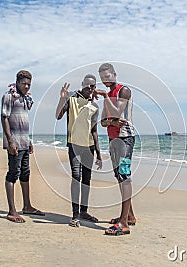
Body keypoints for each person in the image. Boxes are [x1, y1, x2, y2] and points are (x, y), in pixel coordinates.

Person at [93, 63, 136, 236]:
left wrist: (105, 97)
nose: (105, 80)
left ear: (114, 74)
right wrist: (111, 122)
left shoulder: (123, 91)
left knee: (124, 176)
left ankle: (123, 223)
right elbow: (103, 122)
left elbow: (118, 112)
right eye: (102, 78)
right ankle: (130, 216)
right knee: (119, 175)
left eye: (107, 76)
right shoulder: (108, 95)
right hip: (113, 139)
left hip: (125, 138)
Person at [55, 74, 102, 226]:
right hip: (74, 144)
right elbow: (58, 116)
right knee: (76, 176)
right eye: (88, 85)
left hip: (89, 147)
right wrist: (62, 98)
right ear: (82, 84)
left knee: (87, 179)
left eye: (93, 86)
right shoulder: (71, 98)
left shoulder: (94, 106)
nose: (90, 88)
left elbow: (94, 130)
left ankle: (84, 211)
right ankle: (75, 215)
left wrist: (99, 153)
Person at [1, 70, 45, 223]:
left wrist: (29, 141)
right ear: (17, 82)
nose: (26, 86)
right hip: (14, 143)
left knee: (25, 173)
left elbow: (23, 121)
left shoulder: (26, 98)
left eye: (28, 84)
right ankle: (12, 211)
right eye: (23, 83)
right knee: (13, 173)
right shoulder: (9, 96)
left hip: (25, 142)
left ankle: (27, 206)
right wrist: (10, 141)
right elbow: (4, 118)